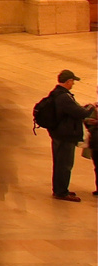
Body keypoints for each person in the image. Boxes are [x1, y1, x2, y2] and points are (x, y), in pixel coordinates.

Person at [41, 69, 92, 201]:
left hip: (57, 134)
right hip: (65, 136)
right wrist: (90, 107)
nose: (73, 84)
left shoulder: (55, 94)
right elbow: (80, 113)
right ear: (68, 81)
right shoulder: (64, 97)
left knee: (59, 163)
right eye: (72, 81)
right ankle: (61, 192)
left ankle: (59, 189)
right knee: (65, 164)